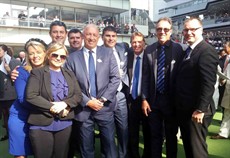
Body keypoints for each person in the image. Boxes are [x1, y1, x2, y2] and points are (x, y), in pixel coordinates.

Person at [65, 24, 120, 158]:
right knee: (86, 148)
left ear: (99, 37)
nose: (91, 37)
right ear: (83, 36)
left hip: (104, 107)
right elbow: (71, 84)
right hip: (83, 109)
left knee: (110, 146)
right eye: (88, 34)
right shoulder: (72, 58)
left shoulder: (108, 53)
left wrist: (102, 99)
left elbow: (115, 78)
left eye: (94, 35)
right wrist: (87, 101)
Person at [26, 42, 82, 158]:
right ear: (48, 55)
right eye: (55, 55)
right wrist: (54, 107)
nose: (58, 58)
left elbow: (78, 95)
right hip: (41, 123)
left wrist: (64, 104)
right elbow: (31, 96)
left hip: (64, 123)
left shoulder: (70, 74)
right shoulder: (38, 73)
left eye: (62, 56)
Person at [174, 17, 218, 158]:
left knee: (196, 150)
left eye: (193, 29)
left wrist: (200, 109)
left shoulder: (206, 51)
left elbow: (208, 83)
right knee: (189, 147)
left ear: (202, 30)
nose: (189, 32)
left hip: (197, 112)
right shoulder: (189, 50)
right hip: (186, 109)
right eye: (186, 30)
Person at [142, 17, 184, 158]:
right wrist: (144, 99)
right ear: (155, 31)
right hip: (154, 101)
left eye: (165, 29)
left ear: (171, 31)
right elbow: (145, 77)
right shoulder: (149, 49)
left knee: (171, 137)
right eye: (159, 29)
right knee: (155, 136)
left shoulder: (179, 49)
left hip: (172, 102)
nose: (162, 31)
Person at [8, 38, 47, 158]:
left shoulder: (52, 71)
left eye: (38, 52)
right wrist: (50, 108)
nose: (35, 56)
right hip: (21, 118)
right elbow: (23, 99)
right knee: (20, 155)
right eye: (31, 53)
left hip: (41, 118)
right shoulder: (21, 71)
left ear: (45, 53)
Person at [102, 26, 129, 158]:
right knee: (107, 130)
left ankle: (123, 154)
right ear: (102, 37)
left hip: (121, 94)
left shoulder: (122, 48)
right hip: (105, 96)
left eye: (113, 36)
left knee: (123, 128)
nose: (111, 38)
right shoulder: (98, 51)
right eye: (108, 36)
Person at [127, 32, 151, 158]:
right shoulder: (129, 56)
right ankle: (133, 155)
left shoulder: (150, 56)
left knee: (147, 131)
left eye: (139, 42)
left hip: (146, 100)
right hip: (131, 99)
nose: (136, 44)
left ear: (144, 43)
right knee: (132, 131)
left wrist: (145, 98)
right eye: (134, 42)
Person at [0, 44, 20, 142]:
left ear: (4, 51)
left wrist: (8, 69)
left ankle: (14, 135)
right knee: (5, 115)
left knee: (12, 115)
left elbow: (17, 78)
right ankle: (8, 134)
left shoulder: (13, 61)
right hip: (1, 94)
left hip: (11, 94)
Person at [211, 41, 230, 139]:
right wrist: (222, 80)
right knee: (227, 113)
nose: (225, 48)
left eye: (226, 47)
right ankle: (223, 133)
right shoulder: (224, 59)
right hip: (227, 89)